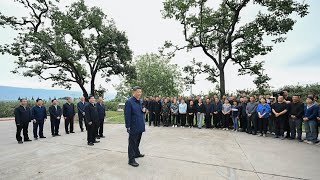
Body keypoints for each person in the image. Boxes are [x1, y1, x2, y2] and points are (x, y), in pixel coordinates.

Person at [124, 86, 146, 167]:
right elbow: (127, 115)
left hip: (140, 124)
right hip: (133, 126)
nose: (139, 93)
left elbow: (141, 111)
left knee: (137, 141)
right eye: (138, 92)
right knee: (132, 143)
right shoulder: (129, 102)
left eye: (140, 92)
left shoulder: (140, 101)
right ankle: (131, 160)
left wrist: (144, 111)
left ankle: (137, 153)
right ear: (134, 92)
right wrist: (128, 126)